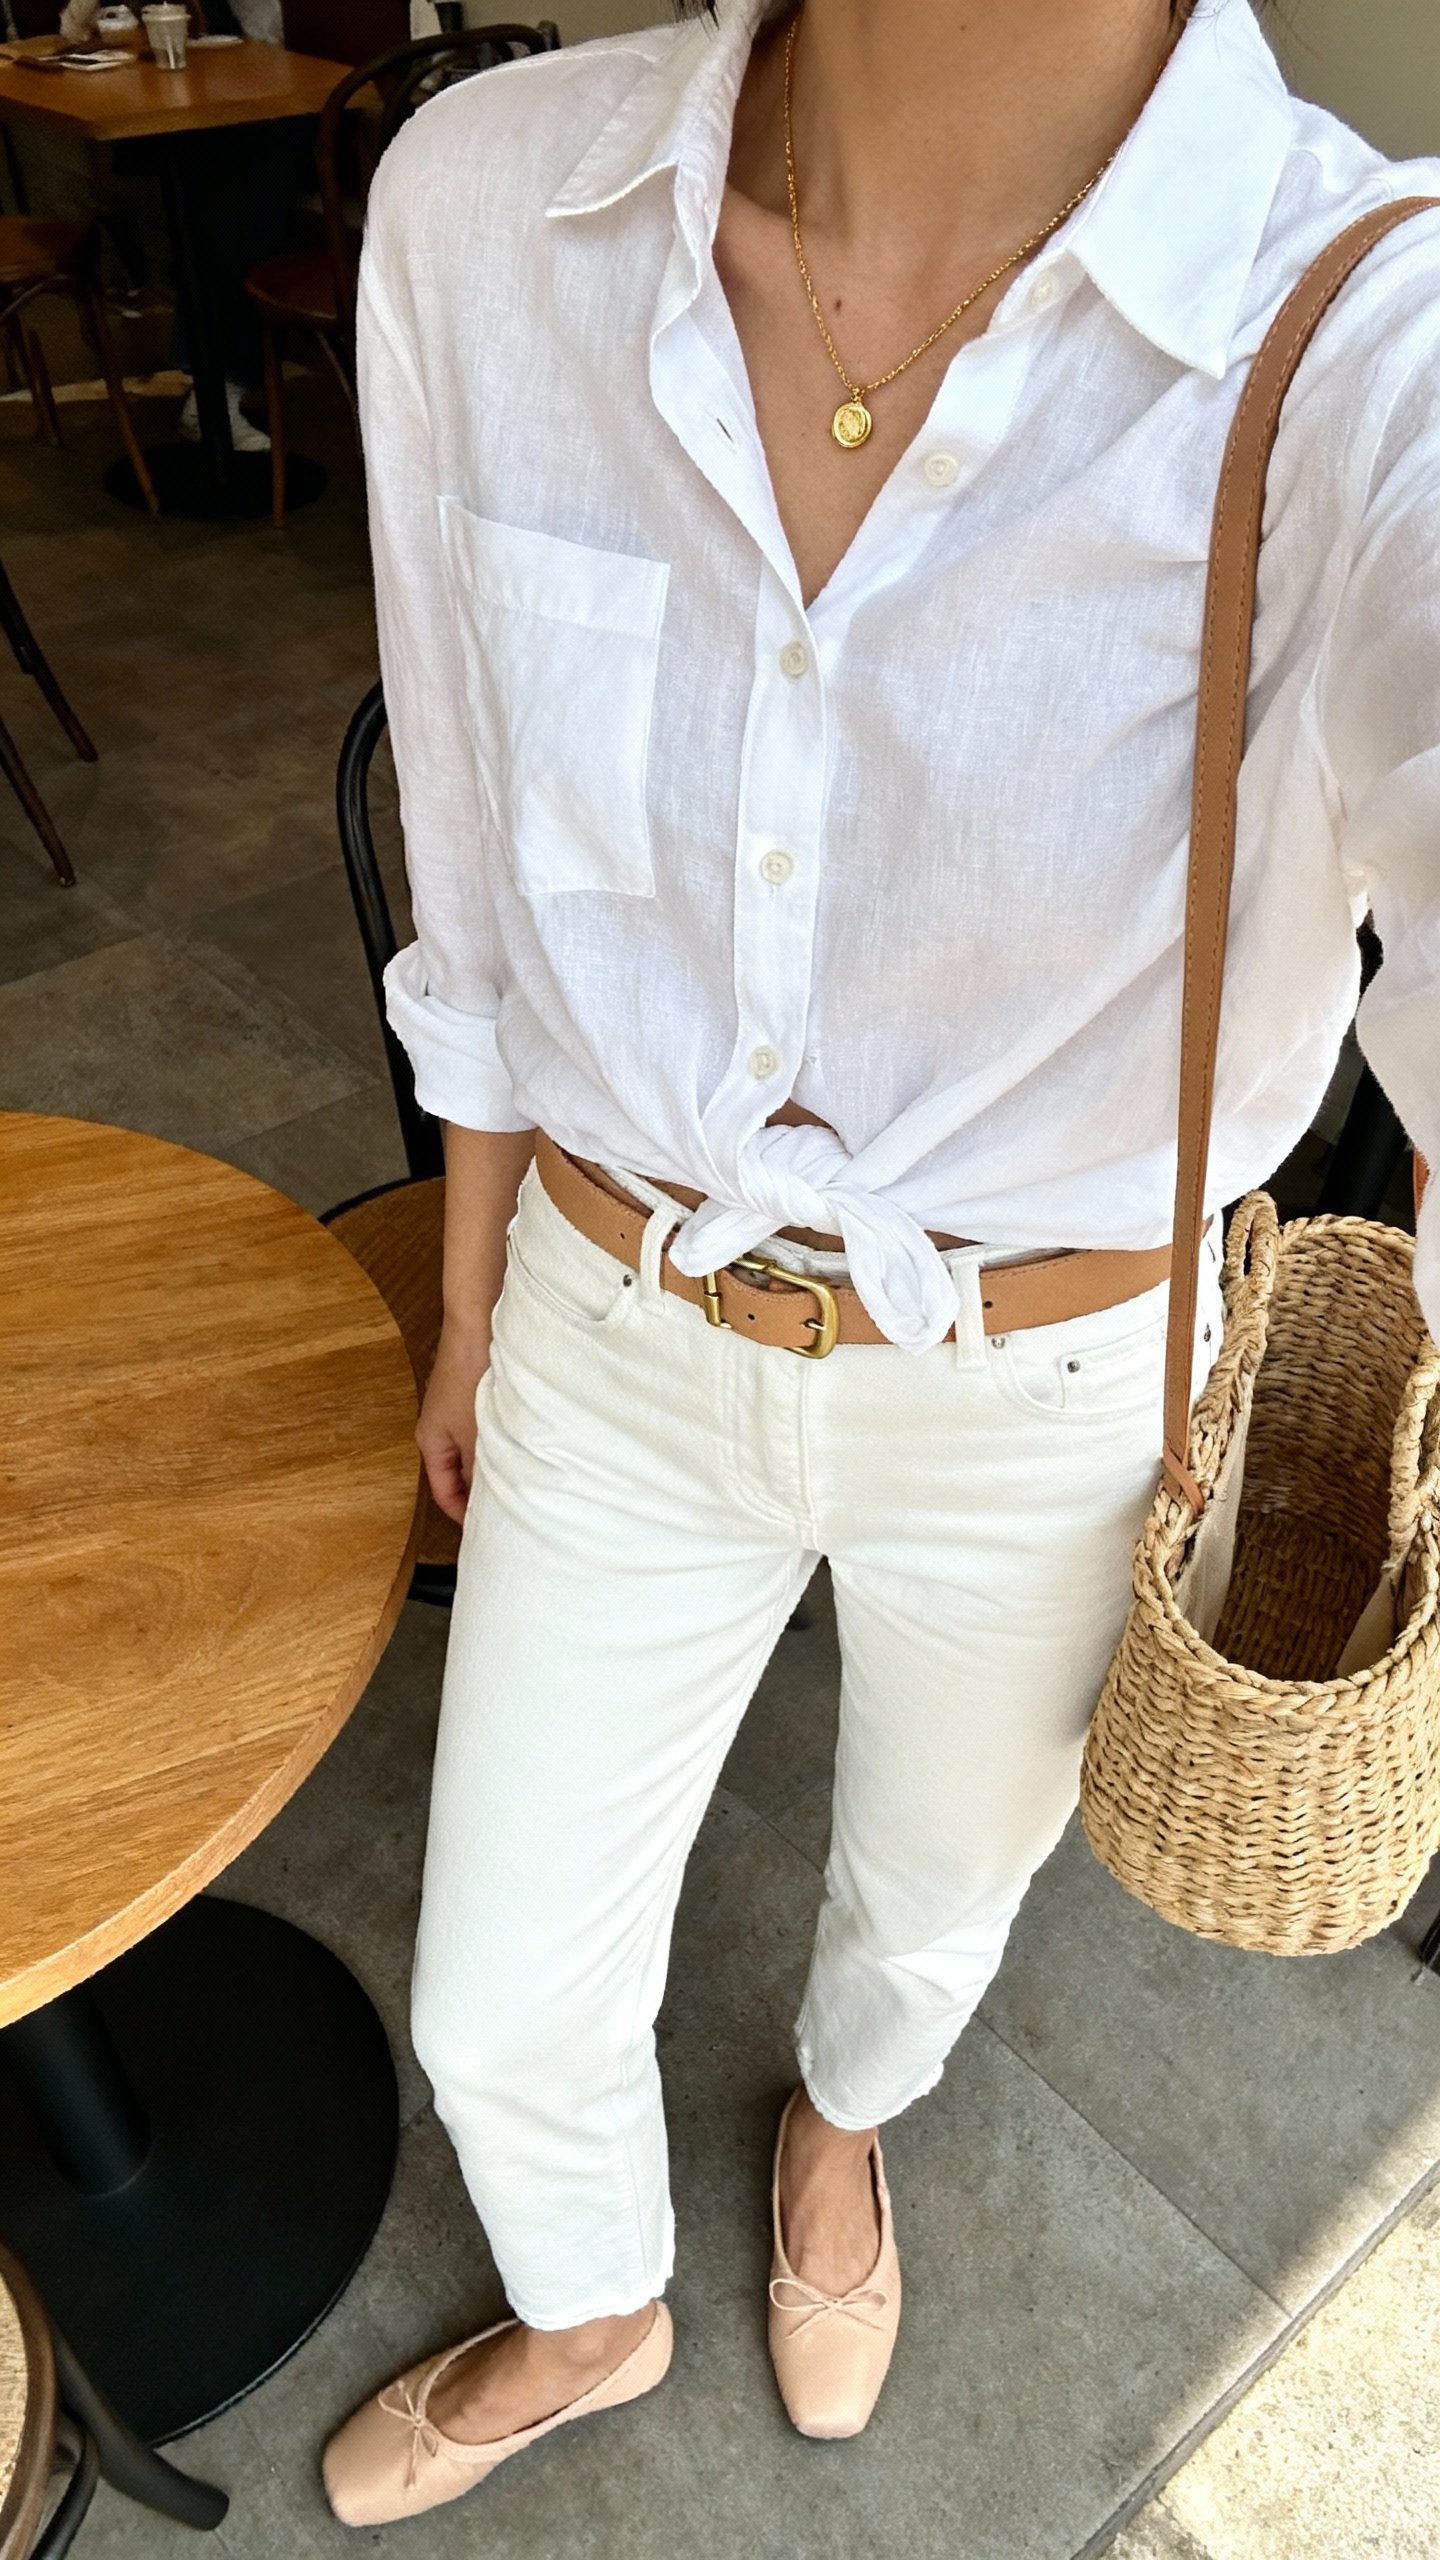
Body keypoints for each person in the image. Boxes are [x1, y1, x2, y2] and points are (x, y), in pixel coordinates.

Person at [322, 0, 1440, 2526]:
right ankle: (593, 2296)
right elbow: (480, 861)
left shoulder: (1366, 328)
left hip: (1055, 1389)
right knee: (498, 1990)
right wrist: (479, 1273)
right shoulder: (487, 212)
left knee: (934, 1895)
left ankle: (840, 2135)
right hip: (614, 1311)